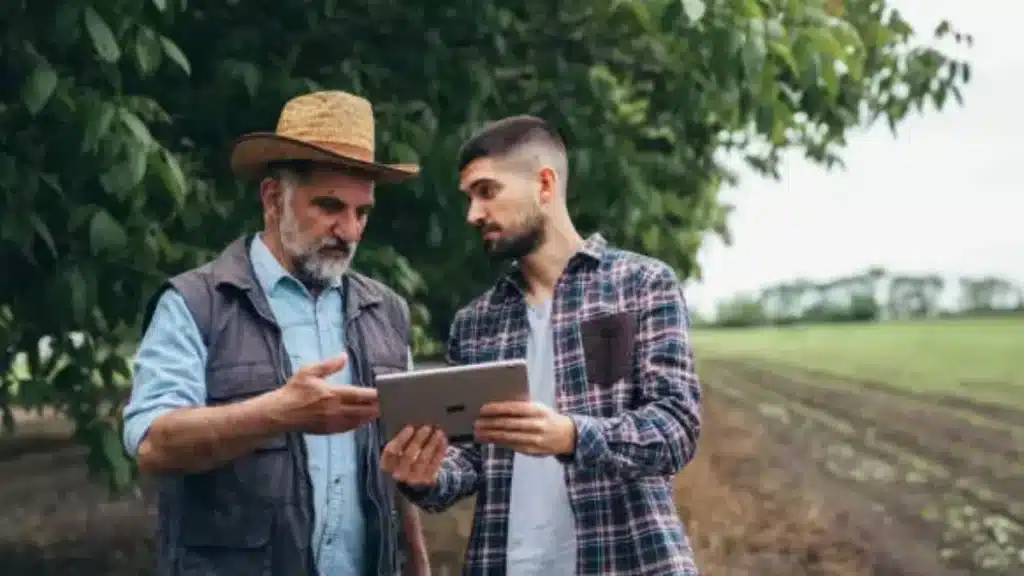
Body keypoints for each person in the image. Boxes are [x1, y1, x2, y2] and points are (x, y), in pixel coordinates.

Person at [121, 91, 431, 576]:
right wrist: (277, 413)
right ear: (272, 198)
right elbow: (152, 445)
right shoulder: (196, 303)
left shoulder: (386, 311)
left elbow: (398, 473)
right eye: (330, 206)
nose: (349, 230)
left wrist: (419, 563)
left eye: (362, 212)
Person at [380, 115, 704, 575]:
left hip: (627, 561)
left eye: (487, 192)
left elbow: (676, 428)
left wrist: (571, 436)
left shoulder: (642, 285)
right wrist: (426, 474)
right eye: (469, 198)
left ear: (545, 185)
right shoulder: (475, 323)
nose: (473, 214)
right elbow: (469, 459)